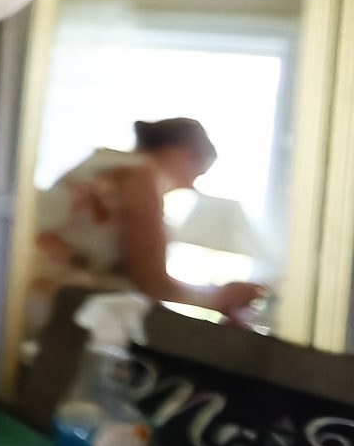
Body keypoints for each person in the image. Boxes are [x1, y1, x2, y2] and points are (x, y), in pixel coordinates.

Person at [28, 117, 267, 332]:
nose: (189, 186)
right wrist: (218, 296)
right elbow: (151, 281)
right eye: (196, 173)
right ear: (180, 153)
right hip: (55, 310)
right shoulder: (141, 177)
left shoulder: (105, 164)